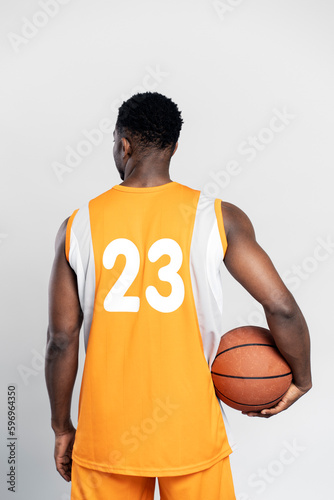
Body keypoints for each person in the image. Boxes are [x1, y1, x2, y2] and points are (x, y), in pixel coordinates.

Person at [45, 92, 312, 500]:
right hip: (190, 431)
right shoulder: (218, 217)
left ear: (123, 145)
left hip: (106, 435)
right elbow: (282, 308)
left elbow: (61, 340)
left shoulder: (77, 225)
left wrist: (62, 427)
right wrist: (302, 380)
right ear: (173, 146)